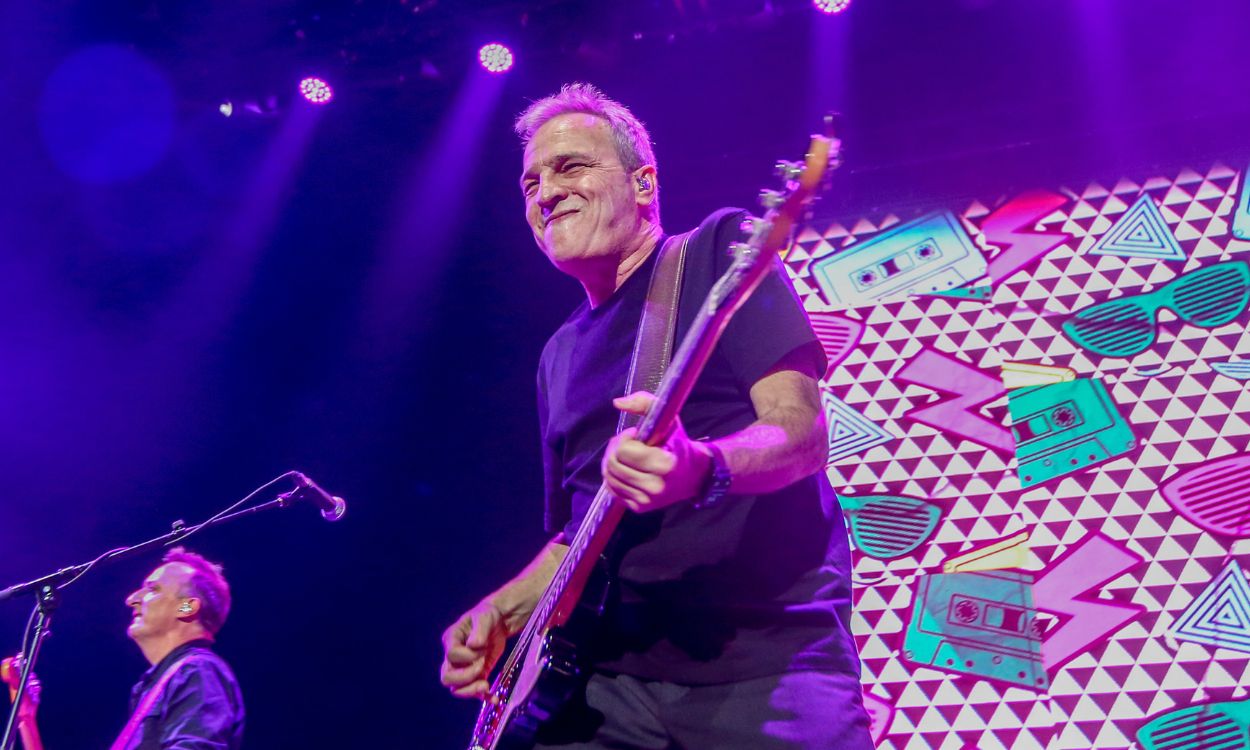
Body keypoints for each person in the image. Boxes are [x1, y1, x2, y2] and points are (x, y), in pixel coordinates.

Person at [440, 83, 873, 749]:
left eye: (571, 167)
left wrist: (703, 468)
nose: (545, 193)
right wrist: (501, 610)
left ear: (643, 184)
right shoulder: (558, 354)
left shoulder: (713, 254)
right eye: (530, 183)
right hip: (609, 685)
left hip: (766, 666)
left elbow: (800, 429)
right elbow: (576, 536)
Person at [118, 547, 244, 749]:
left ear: (187, 607)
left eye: (153, 589)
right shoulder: (152, 686)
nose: (132, 599)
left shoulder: (198, 670)